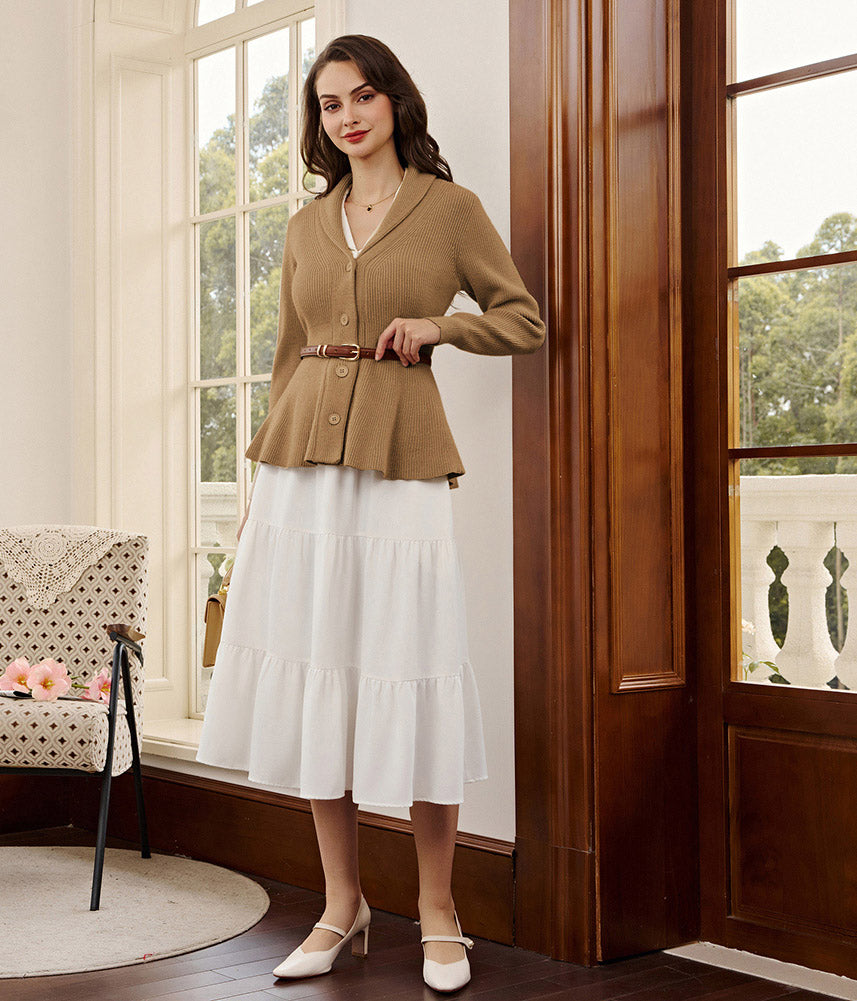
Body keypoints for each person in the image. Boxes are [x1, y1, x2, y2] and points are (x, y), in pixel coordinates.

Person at [194, 33, 546, 993]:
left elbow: (522, 318)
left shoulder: (448, 209)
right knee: (322, 676)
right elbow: (285, 360)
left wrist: (441, 325)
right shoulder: (305, 227)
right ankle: (340, 905)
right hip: (300, 472)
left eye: (360, 97)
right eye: (328, 104)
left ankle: (438, 910)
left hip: (400, 461)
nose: (345, 117)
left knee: (412, 667)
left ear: (393, 100)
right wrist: (256, 493)